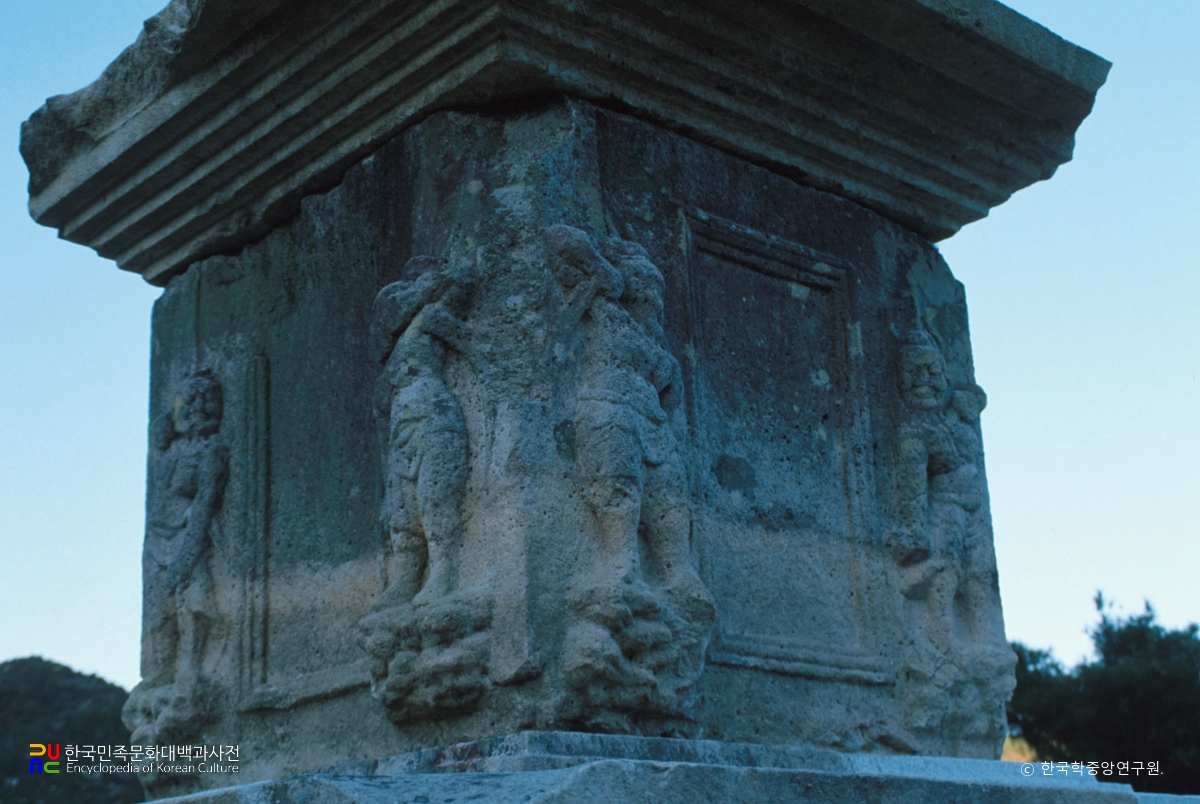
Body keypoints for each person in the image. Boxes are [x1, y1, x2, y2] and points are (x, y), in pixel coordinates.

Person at [371, 260, 472, 607]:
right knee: (401, 510)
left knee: (434, 498)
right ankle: (407, 576)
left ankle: (444, 572)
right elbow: (385, 322)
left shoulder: (431, 319)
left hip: (433, 414)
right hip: (403, 424)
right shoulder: (401, 334)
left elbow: (476, 349)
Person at [143, 370, 229, 687]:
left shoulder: (212, 451)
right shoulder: (175, 449)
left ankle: (190, 671)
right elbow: (161, 441)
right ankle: (160, 671)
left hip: (187, 537)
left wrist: (186, 557)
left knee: (191, 604)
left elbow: (206, 504)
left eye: (206, 402)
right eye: (189, 404)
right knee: (159, 612)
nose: (197, 410)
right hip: (157, 541)